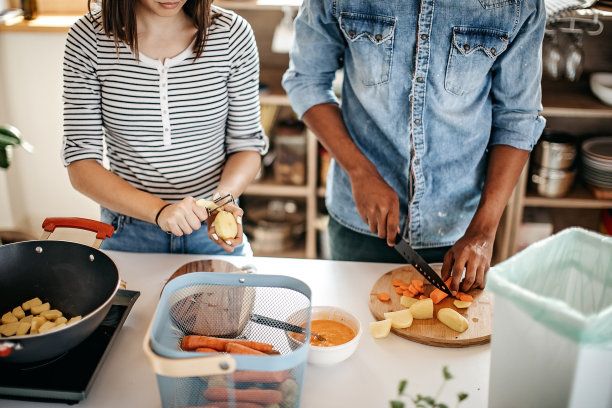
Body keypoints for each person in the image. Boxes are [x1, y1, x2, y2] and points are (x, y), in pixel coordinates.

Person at [282, 0, 546, 293]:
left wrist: (483, 231)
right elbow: (305, 82)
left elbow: (518, 118)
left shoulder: (519, 5)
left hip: (463, 229)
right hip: (360, 223)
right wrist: (360, 172)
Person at [62, 0, 268, 255]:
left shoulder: (231, 34)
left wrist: (222, 200)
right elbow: (81, 164)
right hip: (128, 231)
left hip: (210, 229)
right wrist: (160, 211)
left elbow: (247, 146)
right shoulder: (88, 39)